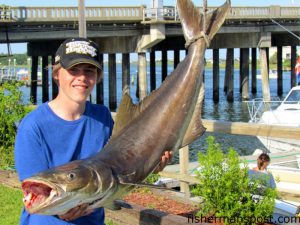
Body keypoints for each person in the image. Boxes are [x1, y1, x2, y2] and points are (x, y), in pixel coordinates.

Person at [14, 37, 172, 225]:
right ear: (57, 74)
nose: (81, 77)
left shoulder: (102, 118)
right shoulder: (32, 127)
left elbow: (119, 172)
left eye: (89, 71)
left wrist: (152, 165)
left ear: (97, 76)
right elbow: (36, 196)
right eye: (73, 69)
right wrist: (60, 212)